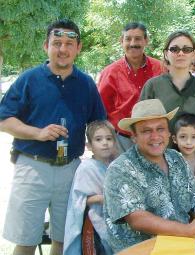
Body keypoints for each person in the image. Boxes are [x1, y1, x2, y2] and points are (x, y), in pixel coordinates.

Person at [0, 19, 106, 255]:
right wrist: (38, 133)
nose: (63, 49)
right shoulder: (29, 79)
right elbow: (3, 120)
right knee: (26, 241)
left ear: (78, 48)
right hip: (32, 166)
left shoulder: (87, 84)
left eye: (70, 43)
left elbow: (99, 124)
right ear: (45, 46)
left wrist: (101, 149)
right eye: (57, 42)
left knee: (64, 239)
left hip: (71, 170)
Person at [103, 99, 195, 253]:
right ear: (133, 136)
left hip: (181, 245)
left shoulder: (176, 158)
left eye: (160, 129)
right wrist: (187, 230)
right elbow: (137, 218)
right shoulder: (120, 169)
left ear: (169, 132)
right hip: (142, 250)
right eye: (146, 131)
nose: (155, 136)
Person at [140, 31, 195, 184]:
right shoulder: (153, 86)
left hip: (194, 167)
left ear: (194, 55)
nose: (180, 53)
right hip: (158, 165)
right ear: (166, 54)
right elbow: (141, 127)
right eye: (174, 49)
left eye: (186, 49)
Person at [98, 22, 163, 153]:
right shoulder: (110, 73)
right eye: (128, 39)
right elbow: (101, 110)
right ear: (121, 41)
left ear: (146, 41)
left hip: (154, 139)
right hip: (121, 141)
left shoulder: (160, 69)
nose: (133, 43)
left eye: (138, 38)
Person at [64, 120, 117, 255]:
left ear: (114, 143)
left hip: (114, 220)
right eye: (98, 139)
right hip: (94, 222)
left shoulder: (116, 166)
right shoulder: (86, 168)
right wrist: (101, 198)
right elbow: (79, 199)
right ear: (89, 146)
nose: (105, 143)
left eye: (109, 138)